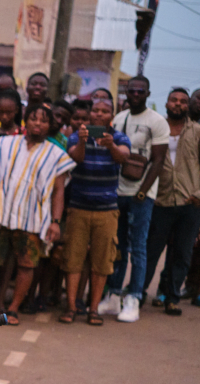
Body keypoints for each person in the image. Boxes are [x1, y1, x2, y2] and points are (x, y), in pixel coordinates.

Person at [0, 103, 75, 323]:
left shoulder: (56, 154)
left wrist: (55, 222)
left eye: (44, 120)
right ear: (26, 120)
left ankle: (14, 308)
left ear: (50, 125)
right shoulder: (3, 144)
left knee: (27, 263)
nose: (38, 123)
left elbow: (58, 192)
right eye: (34, 118)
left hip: (33, 218)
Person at [96, 76, 170, 323]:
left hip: (141, 193)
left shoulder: (156, 121)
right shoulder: (119, 118)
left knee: (138, 246)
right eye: (132, 90)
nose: (136, 93)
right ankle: (114, 294)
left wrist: (143, 191)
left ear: (148, 93)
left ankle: (134, 297)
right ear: (126, 92)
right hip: (118, 190)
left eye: (141, 90)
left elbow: (158, 160)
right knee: (118, 247)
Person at [59, 98, 131, 325]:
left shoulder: (118, 137)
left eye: (105, 111)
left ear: (112, 114)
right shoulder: (77, 135)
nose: (99, 114)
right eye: (96, 111)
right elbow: (76, 158)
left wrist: (110, 145)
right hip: (78, 208)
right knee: (73, 259)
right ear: (90, 114)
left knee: (102, 262)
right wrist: (82, 141)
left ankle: (93, 310)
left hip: (107, 210)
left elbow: (124, 157)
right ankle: (71, 307)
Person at [143, 88, 200, 316]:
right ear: (166, 103)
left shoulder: (197, 132)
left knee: (182, 254)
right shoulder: (156, 129)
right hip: (160, 201)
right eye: (174, 100)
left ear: (188, 106)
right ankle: (139, 292)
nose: (178, 104)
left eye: (183, 101)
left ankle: (172, 297)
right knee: (151, 251)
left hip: (190, 202)